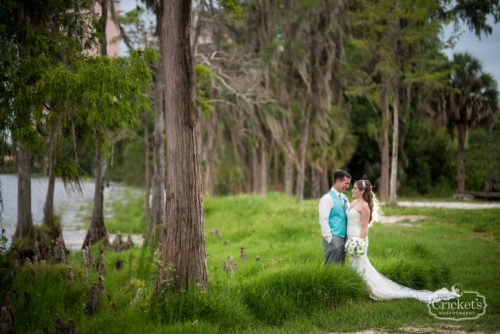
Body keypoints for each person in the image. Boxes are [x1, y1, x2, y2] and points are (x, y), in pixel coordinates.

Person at [346, 179, 458, 303]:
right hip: (351, 238)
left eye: (355, 188)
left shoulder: (364, 206)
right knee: (354, 265)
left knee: (360, 265)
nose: (352, 190)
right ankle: (358, 288)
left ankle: (371, 290)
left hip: (358, 240)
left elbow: (365, 227)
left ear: (362, 191)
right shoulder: (354, 202)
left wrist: (359, 243)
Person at [318, 169, 351, 265]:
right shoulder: (327, 198)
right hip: (333, 237)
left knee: (341, 266)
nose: (347, 186)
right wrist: (330, 239)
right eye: (346, 183)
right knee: (331, 266)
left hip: (344, 237)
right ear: (338, 181)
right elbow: (323, 220)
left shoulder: (344, 197)